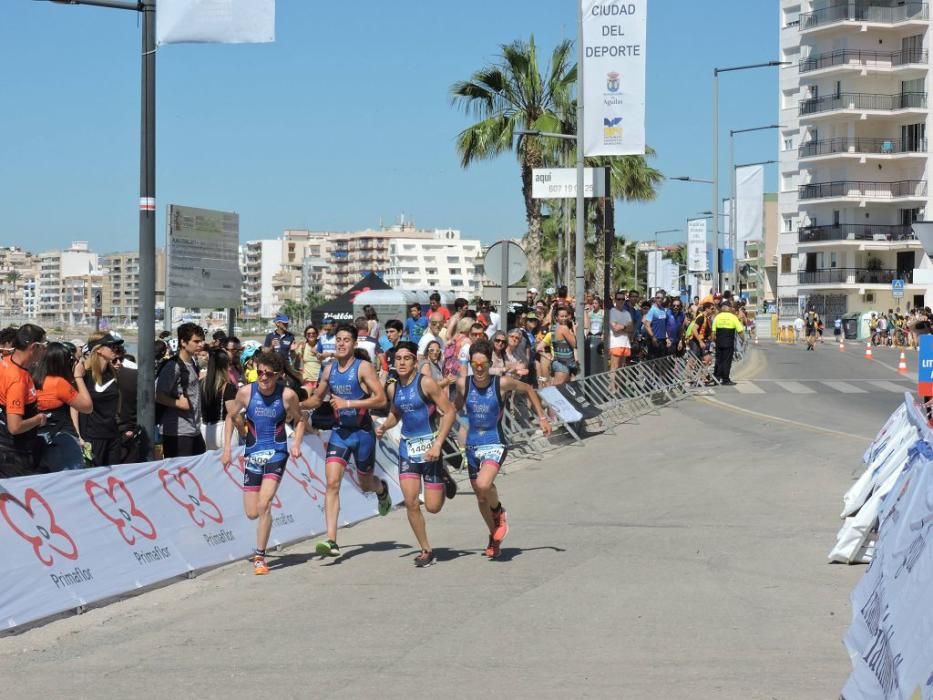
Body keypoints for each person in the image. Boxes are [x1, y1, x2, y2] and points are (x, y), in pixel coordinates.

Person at [455, 340, 551, 559]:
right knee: (480, 497)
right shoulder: (463, 384)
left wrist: (542, 417)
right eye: (475, 363)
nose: (479, 368)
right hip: (472, 445)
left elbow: (527, 388)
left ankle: (498, 511)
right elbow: (457, 406)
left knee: (483, 484)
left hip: (494, 442)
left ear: (490, 363)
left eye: (483, 364)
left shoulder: (501, 383)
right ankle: (493, 535)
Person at [302, 323, 391, 558]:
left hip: (362, 434)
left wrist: (348, 404)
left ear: (354, 344)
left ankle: (382, 489)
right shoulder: (329, 369)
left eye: (346, 340)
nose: (341, 343)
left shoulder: (363, 368)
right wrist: (294, 404)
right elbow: (316, 399)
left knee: (365, 484)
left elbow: (381, 400)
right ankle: (331, 540)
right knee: (332, 483)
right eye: (338, 339)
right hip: (340, 433)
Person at [221, 351, 305, 575]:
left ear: (277, 375)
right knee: (251, 512)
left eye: (268, 374)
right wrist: (227, 449)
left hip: (277, 452)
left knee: (264, 504)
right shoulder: (246, 392)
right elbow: (230, 416)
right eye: (260, 373)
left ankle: (260, 556)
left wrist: (296, 443)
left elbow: (300, 420)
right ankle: (264, 527)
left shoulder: (287, 395)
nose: (263, 378)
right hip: (253, 454)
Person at [375, 341, 457, 567]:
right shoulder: (393, 388)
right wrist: (385, 426)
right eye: (398, 358)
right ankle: (425, 550)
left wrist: (438, 444)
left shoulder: (427, 383)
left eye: (406, 358)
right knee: (411, 502)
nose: (401, 362)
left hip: (430, 449)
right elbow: (395, 414)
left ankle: (443, 474)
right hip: (407, 449)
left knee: (433, 507)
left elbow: (449, 412)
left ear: (415, 362)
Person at [34, 342, 92, 472]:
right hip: (62, 441)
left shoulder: (32, 379)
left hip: (37, 440)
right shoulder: (59, 383)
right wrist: (78, 377)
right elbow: (87, 406)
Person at [0, 324, 48, 477]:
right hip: (13, 453)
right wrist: (39, 419)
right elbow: (15, 426)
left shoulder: (5, 362)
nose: (45, 350)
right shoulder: (18, 381)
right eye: (44, 345)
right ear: (34, 347)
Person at [155, 322, 206, 457]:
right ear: (183, 342)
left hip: (194, 429)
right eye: (196, 341)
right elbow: (158, 395)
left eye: (202, 341)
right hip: (177, 432)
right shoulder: (173, 366)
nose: (201, 344)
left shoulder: (192, 363)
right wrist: (179, 404)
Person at [79, 332, 124, 467]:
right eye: (111, 346)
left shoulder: (113, 373)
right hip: (92, 437)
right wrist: (79, 437)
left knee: (114, 480)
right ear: (98, 349)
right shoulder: (84, 375)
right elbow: (74, 408)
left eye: (116, 346)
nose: (115, 349)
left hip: (113, 435)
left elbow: (117, 403)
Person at [200, 348, 240, 451]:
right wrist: (244, 433)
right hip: (224, 431)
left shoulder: (201, 384)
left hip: (205, 431)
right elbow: (234, 415)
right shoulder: (227, 387)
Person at [711, 300, 744, 385]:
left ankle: (716, 378)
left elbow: (713, 333)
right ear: (729, 308)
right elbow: (740, 331)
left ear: (722, 308)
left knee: (719, 360)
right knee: (727, 361)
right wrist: (743, 340)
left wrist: (714, 340)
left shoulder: (717, 317)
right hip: (728, 342)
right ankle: (725, 379)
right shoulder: (733, 317)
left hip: (719, 342)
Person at [547, 307, 577, 385]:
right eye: (562, 316)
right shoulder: (564, 328)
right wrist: (575, 330)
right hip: (563, 365)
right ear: (557, 317)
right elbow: (575, 344)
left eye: (566, 316)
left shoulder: (553, 327)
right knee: (558, 391)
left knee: (555, 388)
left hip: (557, 362)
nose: (564, 318)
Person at [608, 292, 634, 371]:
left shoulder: (627, 313)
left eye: (623, 299)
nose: (621, 301)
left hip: (625, 343)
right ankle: (612, 384)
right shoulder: (612, 312)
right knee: (614, 368)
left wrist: (622, 326)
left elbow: (631, 328)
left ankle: (619, 384)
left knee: (621, 368)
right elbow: (615, 328)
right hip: (615, 344)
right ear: (615, 300)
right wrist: (626, 327)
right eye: (619, 299)